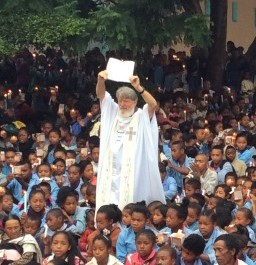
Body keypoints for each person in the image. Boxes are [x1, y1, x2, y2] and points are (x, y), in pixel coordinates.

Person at [96, 70, 165, 210]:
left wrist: (139, 88)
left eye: (127, 101)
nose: (123, 104)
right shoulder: (112, 111)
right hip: (111, 167)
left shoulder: (141, 116)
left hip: (132, 169)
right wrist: (101, 81)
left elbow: (153, 104)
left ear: (134, 102)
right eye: (121, 101)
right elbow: (101, 95)